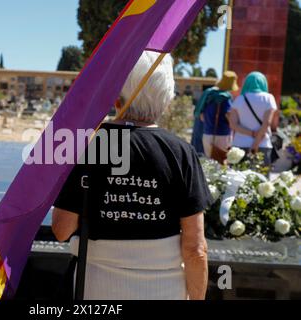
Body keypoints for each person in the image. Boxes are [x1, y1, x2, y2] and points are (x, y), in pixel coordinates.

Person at [52, 52, 213, 300]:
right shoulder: (181, 153)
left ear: (117, 99)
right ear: (166, 100)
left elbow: (62, 230)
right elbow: (195, 249)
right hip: (164, 290)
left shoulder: (91, 146)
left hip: (96, 288)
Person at [227, 72, 278, 166]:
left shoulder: (239, 99)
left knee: (238, 178)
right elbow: (267, 123)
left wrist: (251, 134)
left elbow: (232, 124)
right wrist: (256, 143)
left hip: (240, 145)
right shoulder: (269, 98)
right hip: (263, 144)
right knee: (261, 179)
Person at [191, 71, 239, 155]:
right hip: (222, 135)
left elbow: (201, 116)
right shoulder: (226, 98)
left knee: (208, 162)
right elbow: (229, 117)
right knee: (221, 163)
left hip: (207, 134)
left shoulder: (208, 95)